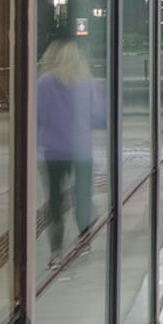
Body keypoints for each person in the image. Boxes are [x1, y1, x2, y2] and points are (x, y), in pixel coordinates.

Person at [36, 39, 106, 265]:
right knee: (83, 197)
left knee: (55, 201)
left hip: (53, 151)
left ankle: (56, 250)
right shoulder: (89, 84)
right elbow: (99, 118)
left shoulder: (45, 83)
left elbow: (37, 115)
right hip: (81, 150)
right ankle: (84, 239)